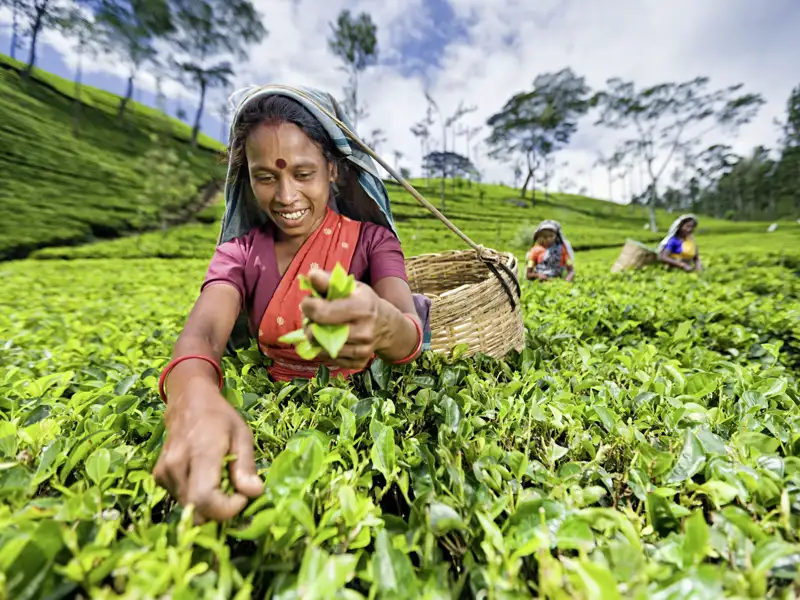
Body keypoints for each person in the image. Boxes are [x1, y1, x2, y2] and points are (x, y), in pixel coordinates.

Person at [153, 85, 430, 523]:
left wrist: (384, 325)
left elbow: (408, 329)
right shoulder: (240, 254)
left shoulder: (373, 241)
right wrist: (192, 395)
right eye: (266, 177)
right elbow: (203, 333)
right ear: (247, 179)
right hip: (274, 405)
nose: (285, 197)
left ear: (333, 170)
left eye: (303, 174)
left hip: (364, 410)